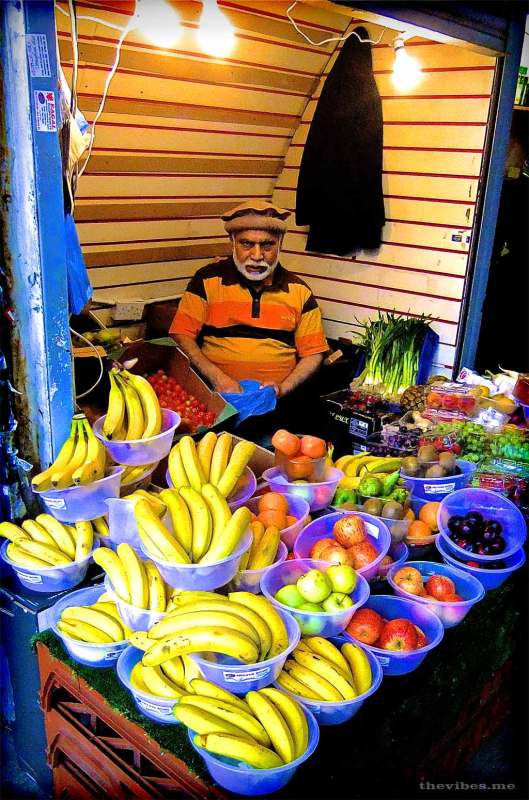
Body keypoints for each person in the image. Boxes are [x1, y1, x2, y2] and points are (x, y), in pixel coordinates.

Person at [169, 201, 328, 409]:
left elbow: (313, 354)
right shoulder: (207, 281)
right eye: (246, 244)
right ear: (232, 242)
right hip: (215, 402)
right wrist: (218, 378)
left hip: (276, 407)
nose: (257, 255)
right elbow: (182, 335)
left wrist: (282, 388)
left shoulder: (299, 291)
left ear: (280, 244)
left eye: (267, 245)